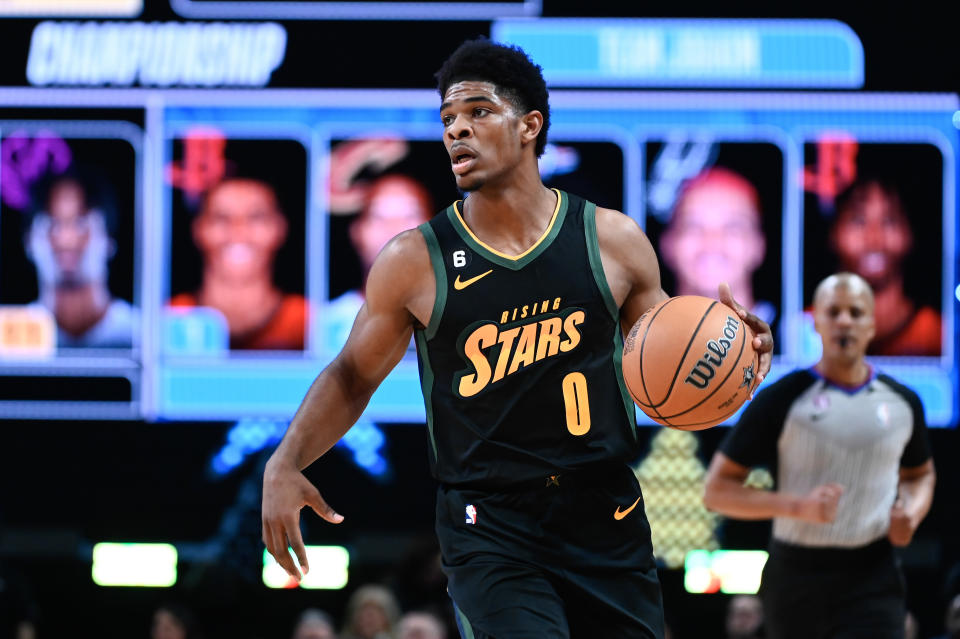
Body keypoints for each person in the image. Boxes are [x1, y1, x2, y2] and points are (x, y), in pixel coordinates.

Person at [262, 38, 773, 639]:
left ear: (530, 125)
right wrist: (286, 461)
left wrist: (735, 359)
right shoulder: (414, 261)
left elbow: (665, 361)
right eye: (449, 119)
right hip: (490, 523)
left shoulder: (610, 239)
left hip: (603, 509)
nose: (458, 131)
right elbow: (351, 375)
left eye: (478, 112)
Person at [704, 272, 936, 639]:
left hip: (874, 573)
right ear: (817, 322)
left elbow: (920, 475)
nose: (845, 320)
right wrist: (798, 506)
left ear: (872, 324)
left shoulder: (904, 402)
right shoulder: (781, 398)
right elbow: (716, 490)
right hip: (795, 573)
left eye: (856, 312)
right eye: (834, 311)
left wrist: (912, 510)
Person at [169, 176, 307, 350]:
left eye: (256, 217)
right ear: (198, 229)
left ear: (279, 228)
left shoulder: (310, 323)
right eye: (221, 218)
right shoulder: (169, 319)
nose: (238, 231)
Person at [25, 167, 135, 348]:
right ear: (29, 242)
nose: (67, 239)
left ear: (109, 240)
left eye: (81, 223)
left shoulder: (143, 337)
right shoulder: (7, 341)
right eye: (52, 224)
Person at [322, 174, 434, 352]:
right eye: (378, 217)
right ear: (357, 232)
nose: (395, 228)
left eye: (411, 215)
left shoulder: (465, 322)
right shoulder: (322, 330)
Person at [828, 177, 940, 356]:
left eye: (889, 220)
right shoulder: (806, 329)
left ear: (910, 233)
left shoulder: (937, 335)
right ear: (833, 232)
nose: (874, 240)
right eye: (858, 220)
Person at [660, 167, 775, 328]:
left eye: (733, 227)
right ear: (668, 244)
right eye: (692, 226)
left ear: (759, 245)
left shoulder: (803, 341)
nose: (712, 242)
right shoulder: (633, 340)